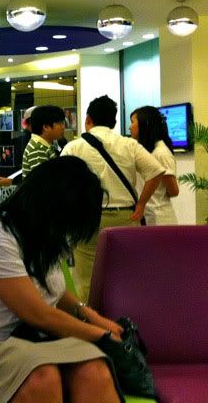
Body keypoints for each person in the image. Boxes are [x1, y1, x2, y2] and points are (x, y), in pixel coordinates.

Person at [0, 156, 125, 403]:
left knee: (94, 371)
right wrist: (101, 334)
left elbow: (52, 289)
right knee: (43, 377)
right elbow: (37, 314)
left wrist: (89, 314)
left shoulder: (45, 234)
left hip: (40, 341)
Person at [61, 95, 164, 301]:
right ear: (114, 122)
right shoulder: (129, 145)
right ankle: (125, 314)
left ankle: (91, 317)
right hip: (126, 218)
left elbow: (61, 182)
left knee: (87, 277)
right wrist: (141, 204)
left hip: (87, 220)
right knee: (126, 273)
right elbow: (155, 172)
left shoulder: (74, 147)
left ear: (88, 119)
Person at [130, 106, 179, 225]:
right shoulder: (144, 150)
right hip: (147, 216)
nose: (130, 127)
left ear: (145, 124)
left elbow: (173, 191)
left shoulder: (161, 153)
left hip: (160, 218)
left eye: (132, 122)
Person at [21, 105, 66, 178]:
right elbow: (42, 181)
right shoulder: (37, 148)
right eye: (59, 123)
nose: (63, 127)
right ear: (46, 127)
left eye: (63, 123)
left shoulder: (44, 145)